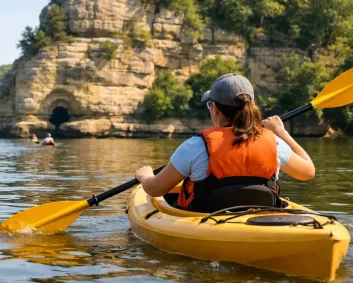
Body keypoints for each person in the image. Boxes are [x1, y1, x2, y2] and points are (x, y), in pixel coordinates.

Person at [135, 73, 315, 212]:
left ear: (214, 108)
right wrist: (282, 133)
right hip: (260, 217)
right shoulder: (273, 142)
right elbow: (308, 172)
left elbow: (155, 189)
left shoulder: (196, 146)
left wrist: (145, 176)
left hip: (208, 221)